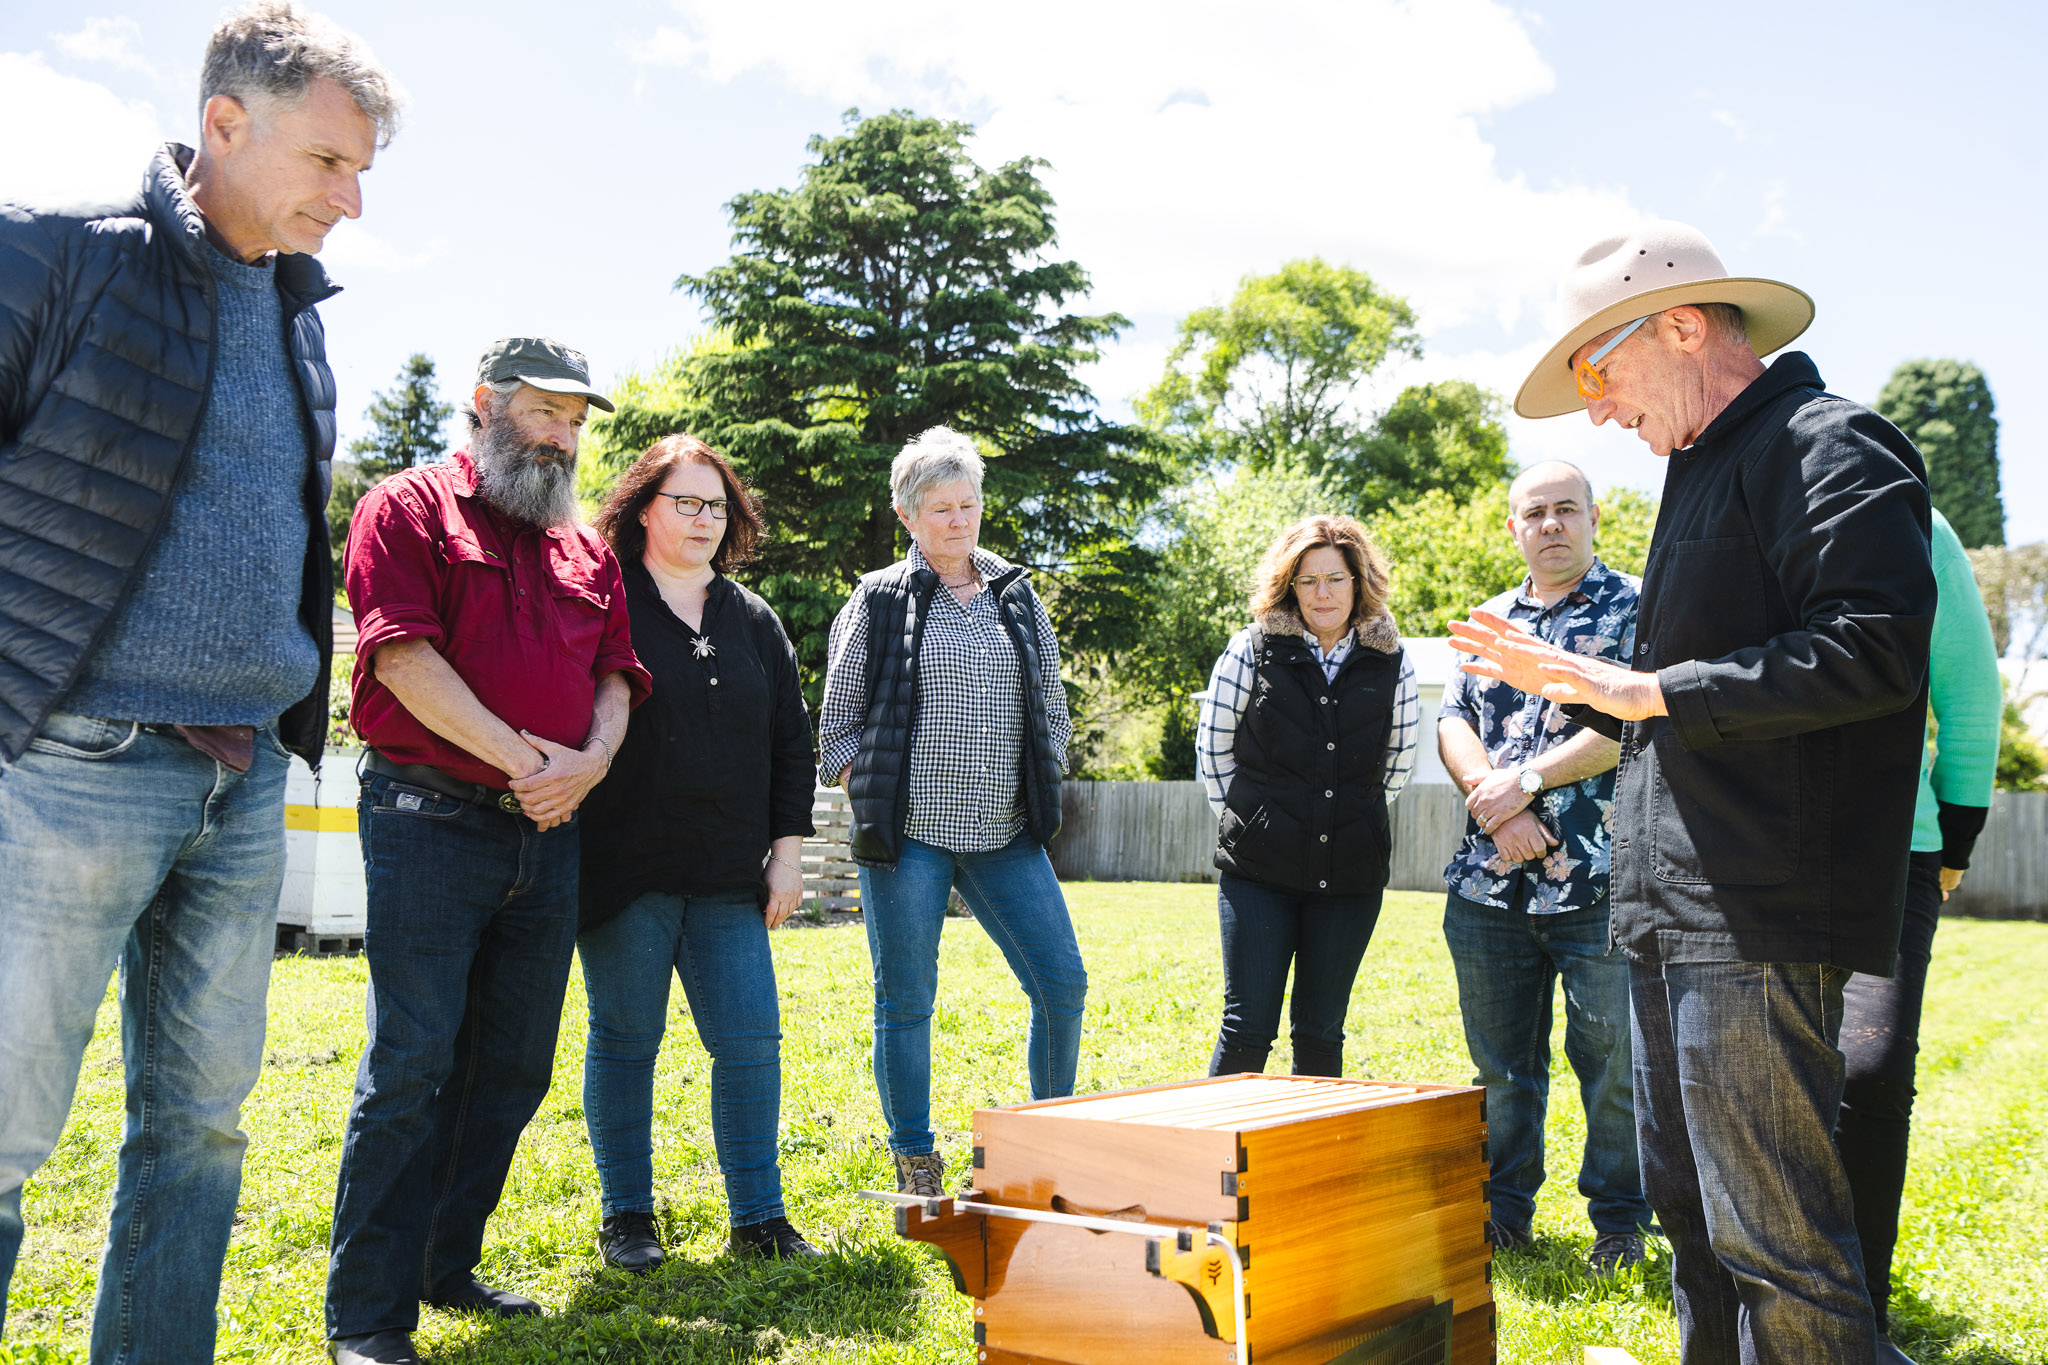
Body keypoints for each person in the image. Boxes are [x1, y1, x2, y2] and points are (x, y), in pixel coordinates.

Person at [1454, 220, 1935, 1363]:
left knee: (1776, 1242)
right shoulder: (1697, 470)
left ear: (1678, 325)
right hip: (1665, 906)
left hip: (1758, 910)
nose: (1597, 411)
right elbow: (1654, 695)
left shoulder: (1830, 444)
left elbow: (1872, 650)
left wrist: (1644, 687)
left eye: (1596, 371)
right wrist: (1578, 702)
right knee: (1694, 1227)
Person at [0, 5, 399, 1356]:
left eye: (363, 173)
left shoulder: (301, 321)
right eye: (331, 162)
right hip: (68, 768)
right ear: (225, 124)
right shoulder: (59, 255)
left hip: (238, 785)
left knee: (203, 1128)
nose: (351, 199)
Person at [325, 337, 651, 1365]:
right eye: (545, 413)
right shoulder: (408, 508)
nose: (561, 437)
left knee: (511, 1066)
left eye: (575, 421)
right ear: (485, 405)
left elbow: (616, 675)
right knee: (412, 1062)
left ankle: (442, 1262)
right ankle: (369, 1316)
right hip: (427, 819)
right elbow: (401, 655)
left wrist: (590, 764)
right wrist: (525, 761)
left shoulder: (582, 549)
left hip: (548, 835)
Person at [817, 426, 1088, 1199]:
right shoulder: (877, 598)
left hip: (1005, 831)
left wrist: (1049, 766)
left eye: (968, 504)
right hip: (910, 839)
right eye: (941, 508)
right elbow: (836, 727)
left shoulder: (1014, 592)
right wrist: (868, 795)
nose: (959, 521)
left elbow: (1052, 704)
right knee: (906, 997)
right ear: (907, 516)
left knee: (1062, 981)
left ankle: (1047, 1136)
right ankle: (915, 1156)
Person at [577, 436, 823, 1272]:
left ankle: (759, 1217)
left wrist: (785, 855)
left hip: (728, 875)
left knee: (752, 1038)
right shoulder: (604, 600)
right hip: (625, 868)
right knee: (626, 1037)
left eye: (716, 505)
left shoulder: (753, 619)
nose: (703, 518)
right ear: (644, 506)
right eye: (685, 501)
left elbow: (794, 743)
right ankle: (628, 1219)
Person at [1436, 461, 1652, 1272]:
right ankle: (1501, 1212)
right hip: (1488, 883)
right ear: (1514, 528)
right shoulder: (1489, 621)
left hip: (1600, 882)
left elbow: (1628, 725)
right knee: (1500, 1066)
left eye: (1567, 509)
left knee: (1612, 1064)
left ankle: (1621, 1221)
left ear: (1595, 517)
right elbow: (1454, 718)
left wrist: (1527, 781)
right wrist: (1495, 800)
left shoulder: (1637, 608)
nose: (1552, 524)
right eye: (1536, 512)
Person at [1836, 506, 2001, 1365]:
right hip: (1756, 846)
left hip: (1895, 849)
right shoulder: (1725, 505)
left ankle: (1859, 1314)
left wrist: (1958, 836)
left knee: (1869, 1067)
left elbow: (1968, 689)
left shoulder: (1910, 520)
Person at [1194, 514, 1417, 1079]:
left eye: (1336, 579)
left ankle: (1310, 1166)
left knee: (1320, 1033)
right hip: (1259, 873)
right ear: (1289, 585)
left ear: (1358, 583)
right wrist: (1253, 823)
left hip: (1350, 877)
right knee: (1247, 1029)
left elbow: (1397, 764)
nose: (1323, 593)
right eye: (1309, 579)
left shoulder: (1392, 660)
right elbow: (1212, 749)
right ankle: (1217, 1162)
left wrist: (1341, 817)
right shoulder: (1253, 648)